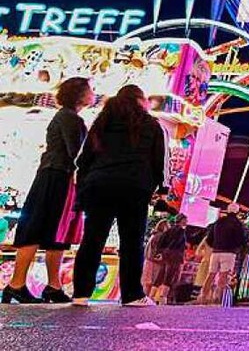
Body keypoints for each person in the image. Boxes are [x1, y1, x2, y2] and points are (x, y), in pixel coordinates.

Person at [71, 84, 166, 307]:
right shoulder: (151, 124)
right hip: (134, 186)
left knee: (92, 239)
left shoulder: (101, 123)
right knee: (132, 242)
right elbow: (158, 161)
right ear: (141, 101)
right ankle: (132, 294)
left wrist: (85, 185)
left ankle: (81, 293)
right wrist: (153, 187)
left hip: (100, 184)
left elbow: (85, 159)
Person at [2, 77, 94, 304]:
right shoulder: (70, 118)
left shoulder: (68, 117)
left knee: (55, 230)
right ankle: (16, 284)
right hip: (56, 176)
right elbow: (77, 153)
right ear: (79, 94)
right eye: (89, 89)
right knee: (38, 226)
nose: (93, 93)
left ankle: (52, 286)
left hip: (57, 175)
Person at [202, 202, 249, 305]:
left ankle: (203, 296)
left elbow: (209, 238)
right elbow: (241, 239)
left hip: (216, 252)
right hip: (229, 252)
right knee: (223, 276)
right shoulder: (238, 224)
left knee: (211, 274)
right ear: (237, 212)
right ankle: (217, 298)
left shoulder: (219, 222)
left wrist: (215, 245)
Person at [151, 215, 188, 304]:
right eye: (185, 220)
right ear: (181, 220)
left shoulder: (168, 230)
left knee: (161, 275)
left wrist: (161, 252)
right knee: (169, 277)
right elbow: (177, 242)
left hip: (165, 255)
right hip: (175, 255)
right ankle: (163, 298)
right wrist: (171, 249)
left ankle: (151, 296)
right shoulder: (181, 231)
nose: (187, 221)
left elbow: (161, 242)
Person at [142, 219, 169, 295]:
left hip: (149, 260)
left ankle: (145, 297)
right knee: (150, 282)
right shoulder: (160, 236)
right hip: (154, 262)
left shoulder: (154, 235)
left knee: (147, 282)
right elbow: (158, 250)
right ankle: (146, 298)